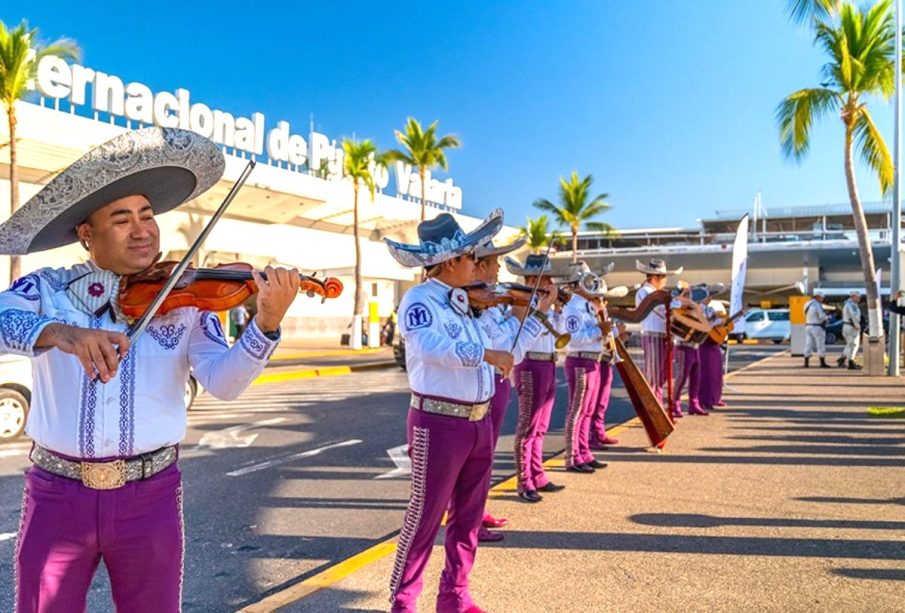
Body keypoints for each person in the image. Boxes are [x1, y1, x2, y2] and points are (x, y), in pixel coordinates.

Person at [0, 127, 301, 613]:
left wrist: (265, 323)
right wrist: (61, 333)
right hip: (57, 494)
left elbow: (223, 383)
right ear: (86, 234)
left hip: (150, 495)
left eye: (147, 216)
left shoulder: (187, 301)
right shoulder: (48, 289)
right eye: (121, 219)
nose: (142, 230)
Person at [384, 210, 514, 613]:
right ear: (451, 262)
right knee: (425, 517)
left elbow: (508, 345)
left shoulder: (467, 304)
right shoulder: (419, 300)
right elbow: (426, 349)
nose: (478, 265)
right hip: (438, 423)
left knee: (469, 518)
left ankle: (455, 595)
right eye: (471, 258)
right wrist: (485, 354)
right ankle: (404, 601)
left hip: (478, 422)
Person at [470, 237, 555, 540]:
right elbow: (499, 348)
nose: (496, 272)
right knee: (477, 457)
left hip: (499, 379)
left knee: (487, 454)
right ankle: (469, 518)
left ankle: (478, 510)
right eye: (493, 264)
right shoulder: (475, 303)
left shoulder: (493, 305)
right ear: (478, 265)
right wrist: (527, 309)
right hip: (483, 380)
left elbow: (512, 349)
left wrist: (529, 310)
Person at [505, 254, 567, 503]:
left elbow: (561, 333)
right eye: (544, 277)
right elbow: (529, 330)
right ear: (530, 279)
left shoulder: (545, 302)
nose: (548, 282)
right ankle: (524, 480)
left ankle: (538, 473)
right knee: (527, 425)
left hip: (549, 362)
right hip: (530, 362)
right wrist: (544, 307)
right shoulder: (522, 302)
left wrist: (558, 310)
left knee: (541, 426)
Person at [560, 261, 609, 474]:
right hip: (580, 360)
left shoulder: (587, 306)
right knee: (578, 410)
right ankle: (572, 456)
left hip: (591, 359)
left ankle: (584, 451)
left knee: (587, 410)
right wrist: (599, 330)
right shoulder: (573, 307)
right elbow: (574, 339)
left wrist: (610, 332)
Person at [635, 258, 683, 405]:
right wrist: (678, 302)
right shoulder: (645, 291)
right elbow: (659, 309)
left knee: (660, 375)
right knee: (653, 376)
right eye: (663, 277)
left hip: (661, 336)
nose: (665, 280)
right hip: (652, 336)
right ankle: (654, 406)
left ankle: (658, 404)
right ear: (654, 277)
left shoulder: (657, 293)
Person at [698, 287, 728, 411]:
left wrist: (720, 320)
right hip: (704, 344)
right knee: (706, 373)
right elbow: (704, 324)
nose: (710, 298)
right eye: (708, 295)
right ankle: (704, 400)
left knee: (716, 372)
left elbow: (717, 321)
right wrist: (715, 321)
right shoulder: (698, 309)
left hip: (713, 343)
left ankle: (714, 398)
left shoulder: (710, 308)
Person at [804, 291, 830, 368]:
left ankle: (806, 363)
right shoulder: (817, 305)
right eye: (822, 298)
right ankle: (822, 363)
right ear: (818, 297)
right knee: (820, 345)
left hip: (808, 326)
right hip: (817, 327)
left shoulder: (807, 304)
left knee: (808, 344)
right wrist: (827, 317)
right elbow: (821, 316)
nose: (822, 299)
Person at [838, 291, 863, 370]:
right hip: (851, 327)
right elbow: (854, 316)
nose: (859, 298)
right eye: (857, 296)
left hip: (848, 326)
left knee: (849, 344)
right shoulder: (852, 305)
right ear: (853, 297)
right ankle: (851, 362)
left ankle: (842, 359)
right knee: (854, 344)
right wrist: (857, 325)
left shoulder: (850, 305)